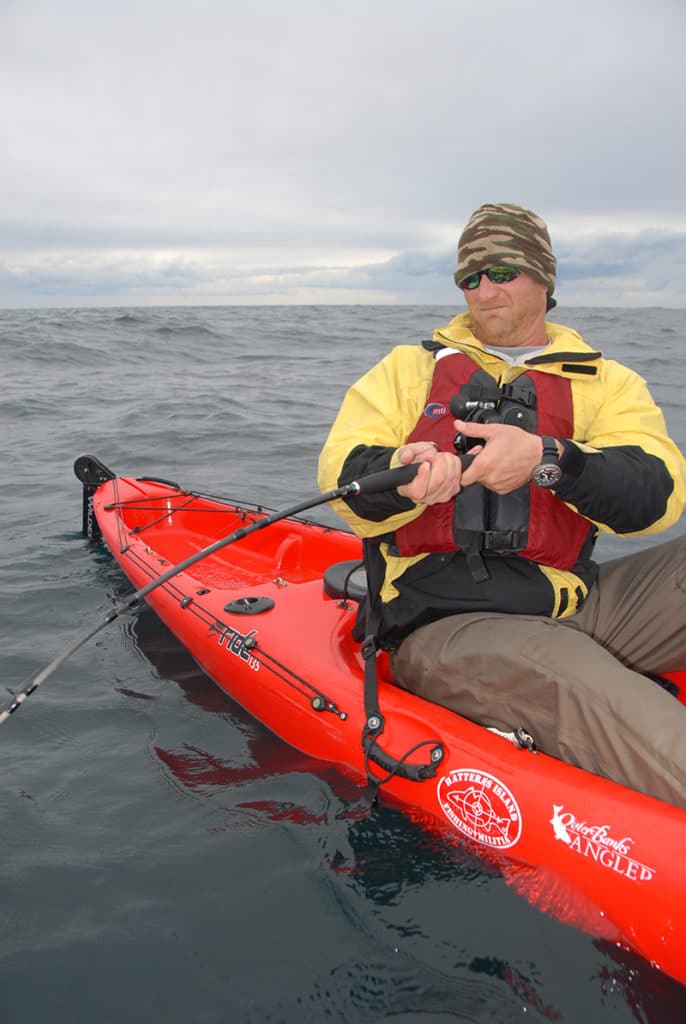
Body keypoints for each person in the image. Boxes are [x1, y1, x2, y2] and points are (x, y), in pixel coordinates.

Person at [318, 202, 686, 809]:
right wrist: (405, 478)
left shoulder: (607, 383)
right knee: (570, 676)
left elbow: (657, 496)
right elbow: (342, 478)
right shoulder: (407, 370)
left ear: (544, 277)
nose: (484, 291)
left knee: (575, 644)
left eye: (503, 271)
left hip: (575, 606)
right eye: (470, 277)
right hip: (443, 630)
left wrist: (551, 460)